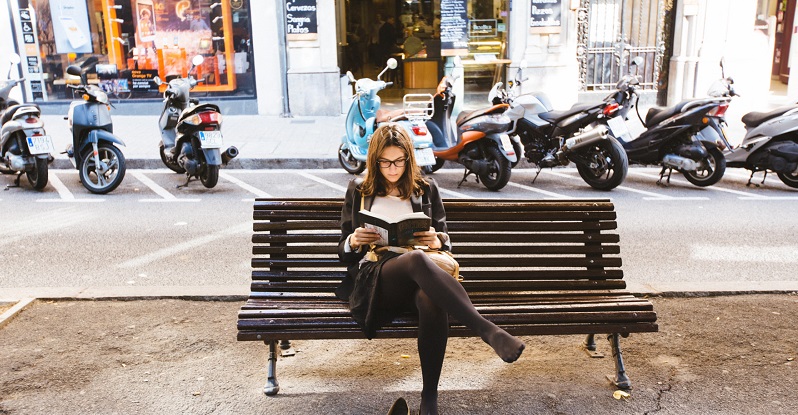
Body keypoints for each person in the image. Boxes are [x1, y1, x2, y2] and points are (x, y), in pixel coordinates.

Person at [336, 124, 525, 415]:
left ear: (408, 159)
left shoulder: (425, 189)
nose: (392, 168)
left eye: (399, 161)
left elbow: (445, 242)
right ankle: (486, 330)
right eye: (385, 162)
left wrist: (438, 238)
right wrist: (353, 240)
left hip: (420, 277)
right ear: (374, 160)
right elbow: (343, 254)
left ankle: (429, 401)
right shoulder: (360, 189)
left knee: (429, 299)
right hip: (376, 280)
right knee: (417, 261)